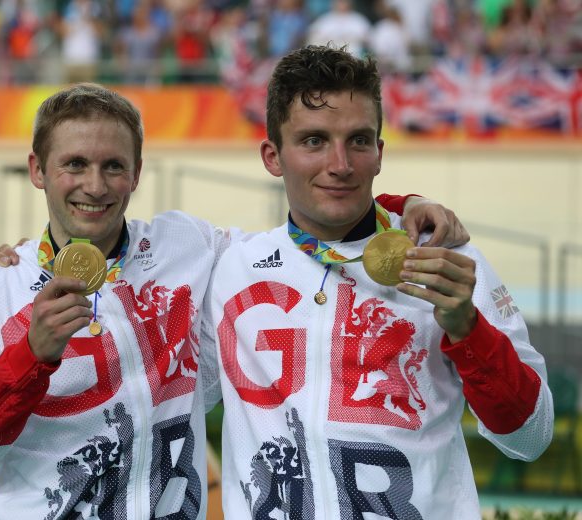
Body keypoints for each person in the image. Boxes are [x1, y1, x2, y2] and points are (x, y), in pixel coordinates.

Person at [0, 82, 468, 519]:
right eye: (74, 164)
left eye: (113, 167)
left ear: (137, 174)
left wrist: (404, 204)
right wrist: (31, 354)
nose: (95, 186)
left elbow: (306, 237)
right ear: (38, 171)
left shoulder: (186, 246)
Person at [202, 45, 553, 519]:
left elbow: (530, 438)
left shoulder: (447, 262)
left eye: (359, 141)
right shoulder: (229, 265)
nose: (341, 164)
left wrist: (468, 331)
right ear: (272, 156)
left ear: (379, 153)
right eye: (313, 141)